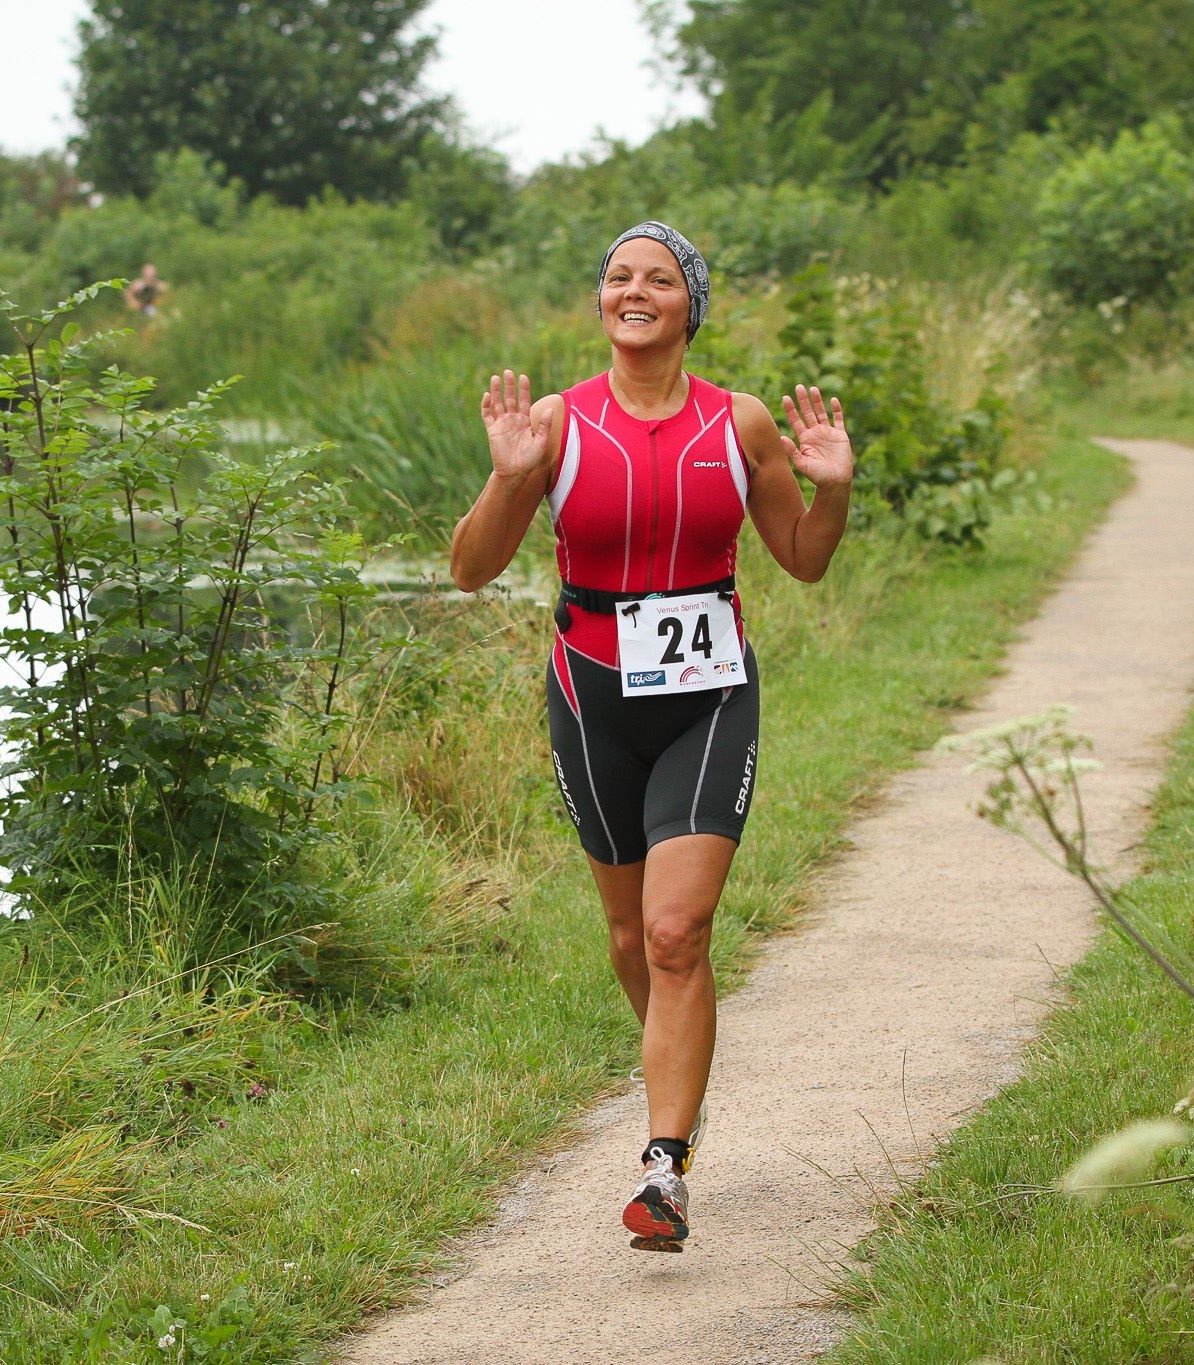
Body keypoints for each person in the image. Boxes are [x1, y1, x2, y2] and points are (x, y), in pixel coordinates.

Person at [448, 221, 854, 1250]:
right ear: (600, 301)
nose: (636, 291)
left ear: (690, 305)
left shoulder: (739, 421)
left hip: (709, 699)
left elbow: (803, 558)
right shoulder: (556, 421)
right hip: (590, 696)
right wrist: (508, 477)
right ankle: (682, 1079)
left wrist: (835, 491)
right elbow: (469, 570)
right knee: (631, 938)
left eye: (660, 279)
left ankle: (663, 1165)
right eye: (619, 277)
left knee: (677, 932)